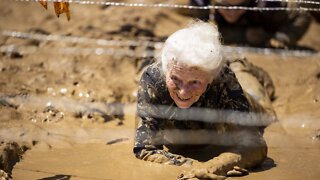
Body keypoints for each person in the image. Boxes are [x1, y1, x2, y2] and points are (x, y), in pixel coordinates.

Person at [133, 21, 276, 179]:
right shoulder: (153, 78)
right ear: (167, 70)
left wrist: (218, 165)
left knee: (268, 116)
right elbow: (145, 148)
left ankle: (238, 63)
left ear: (211, 78)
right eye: (175, 79)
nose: (183, 92)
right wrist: (198, 168)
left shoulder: (223, 80)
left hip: (241, 103)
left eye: (195, 82)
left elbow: (255, 144)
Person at [189, 0, 312, 48]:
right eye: (224, 6)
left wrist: (282, 37)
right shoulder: (202, 6)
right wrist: (243, 35)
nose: (231, 13)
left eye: (239, 7)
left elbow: (303, 15)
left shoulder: (267, 5)